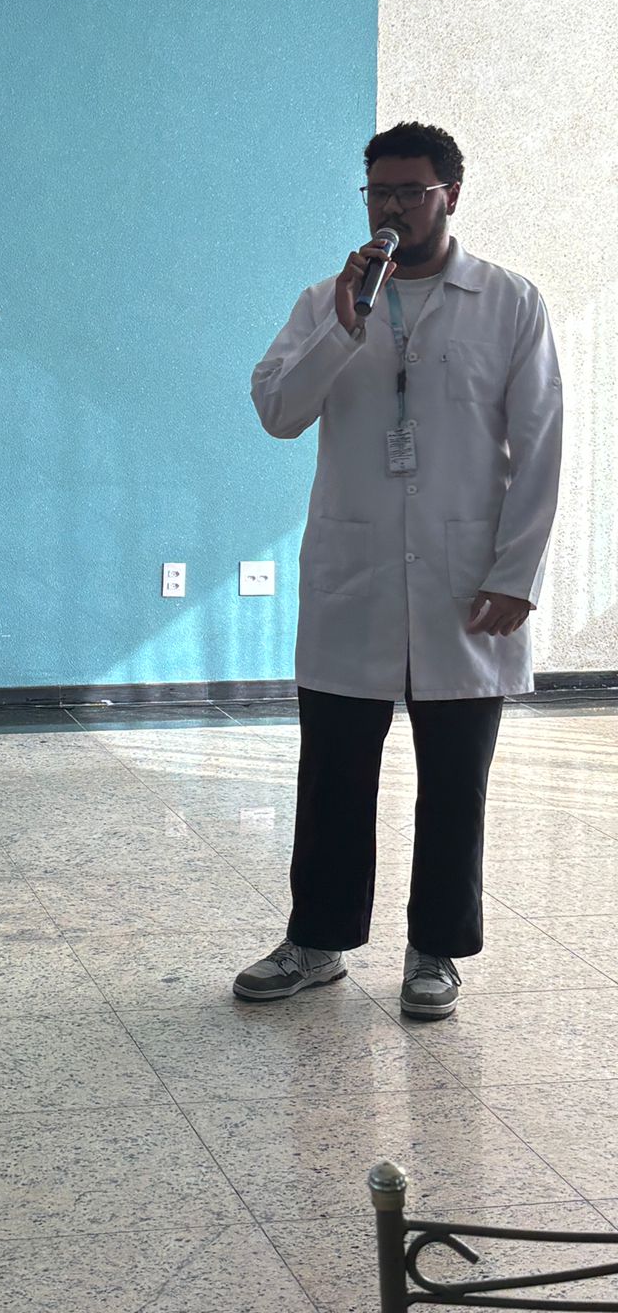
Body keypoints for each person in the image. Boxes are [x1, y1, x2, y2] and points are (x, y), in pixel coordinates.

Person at [233, 122, 561, 1019]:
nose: (393, 207)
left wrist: (518, 571)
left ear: (450, 195)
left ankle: (435, 952)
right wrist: (343, 331)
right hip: (357, 575)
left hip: (466, 581)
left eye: (411, 191)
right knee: (334, 773)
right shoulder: (327, 300)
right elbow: (277, 411)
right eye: (379, 192)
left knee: (455, 781)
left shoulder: (508, 301)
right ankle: (317, 942)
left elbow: (540, 445)